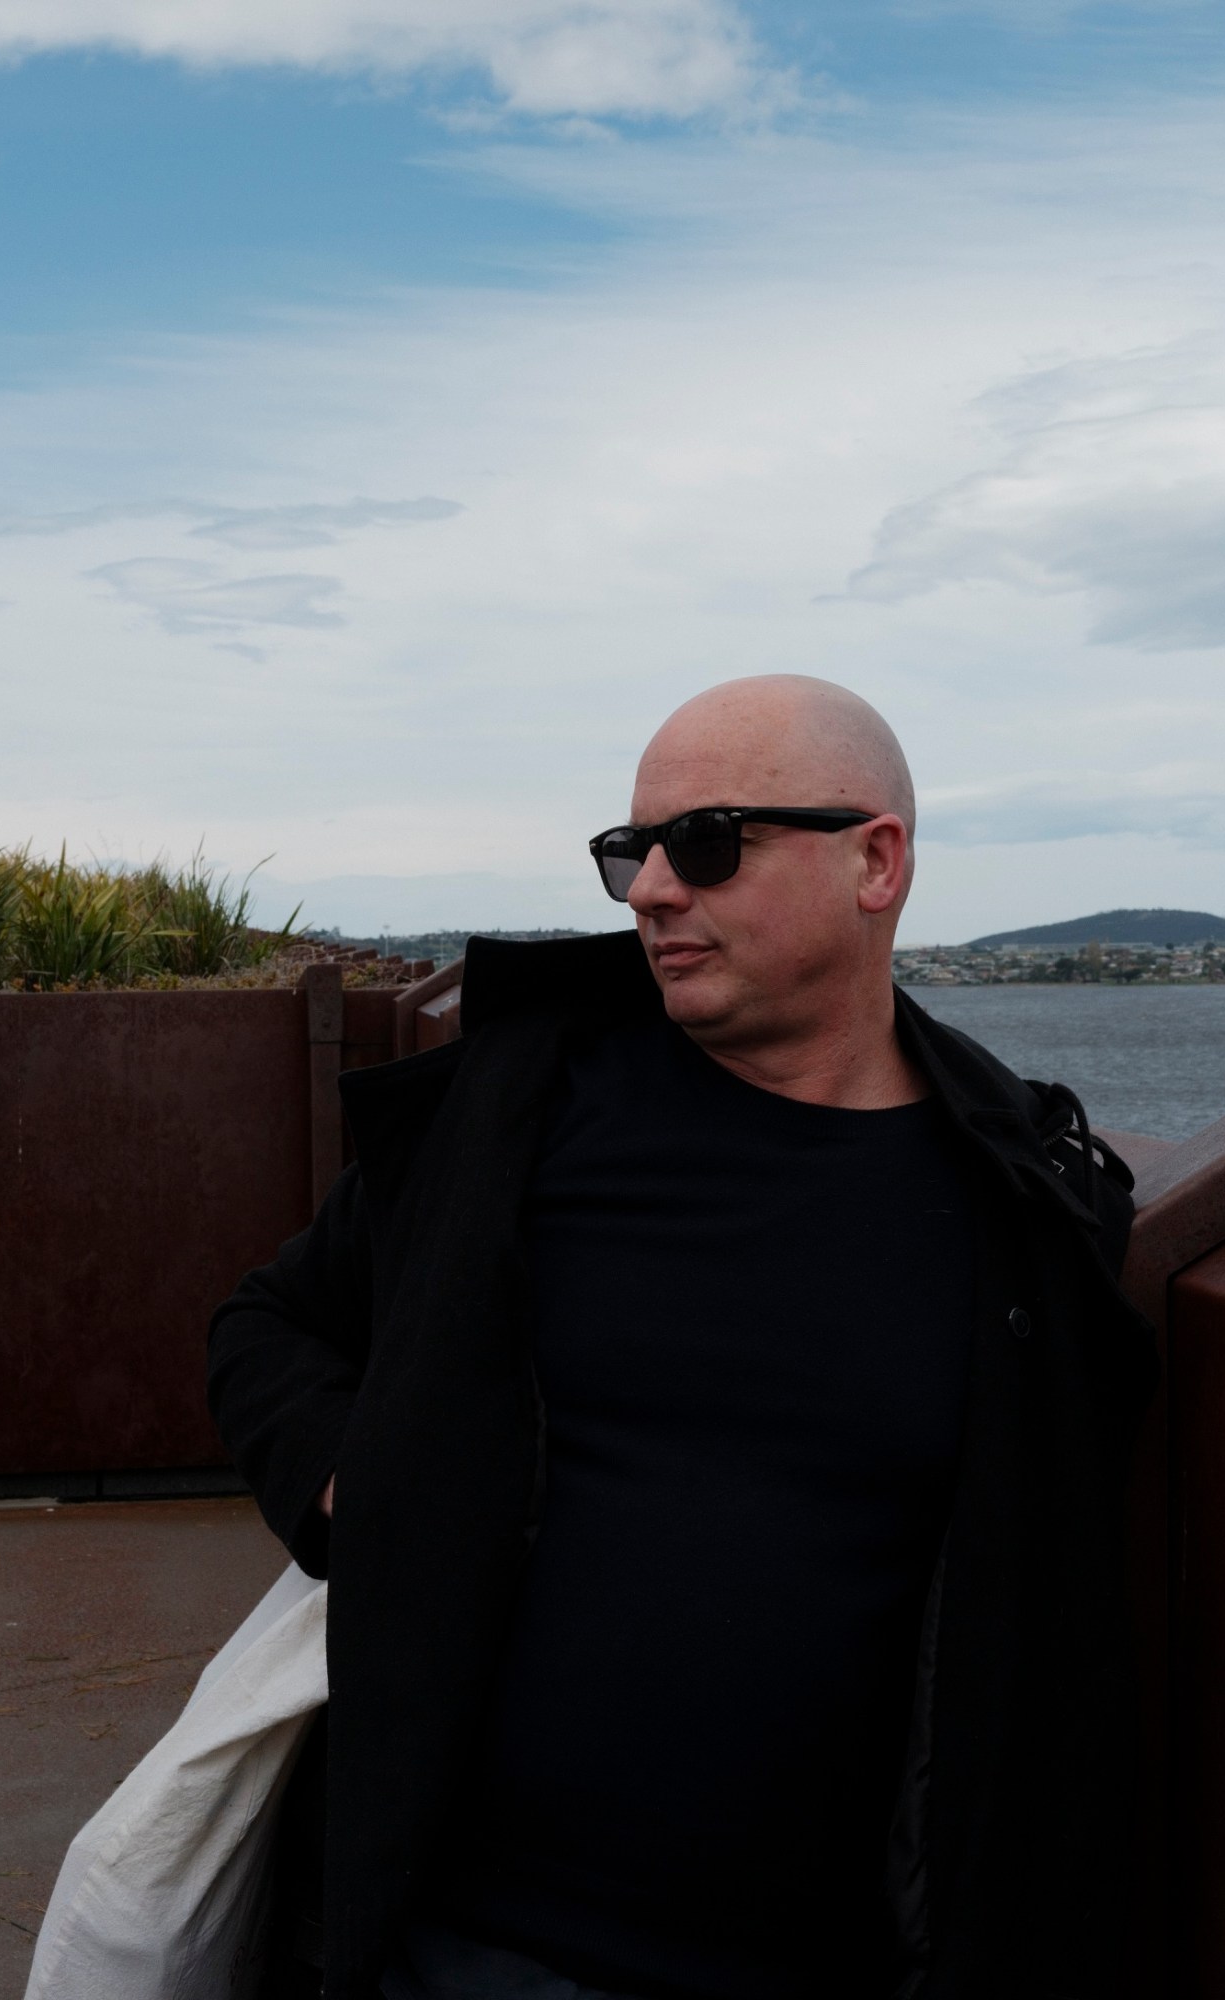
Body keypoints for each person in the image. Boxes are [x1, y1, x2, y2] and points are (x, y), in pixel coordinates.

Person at [208, 676, 1158, 2000]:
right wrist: (360, 1494)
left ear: (876, 863)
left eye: (706, 843)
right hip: (456, 1945)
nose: (652, 888)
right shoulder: (522, 1120)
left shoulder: (1022, 1205)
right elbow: (267, 1325)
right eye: (631, 850)